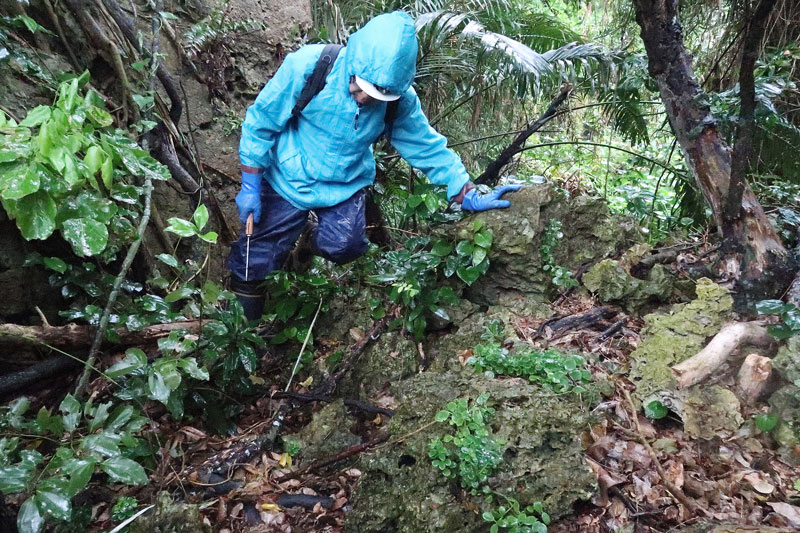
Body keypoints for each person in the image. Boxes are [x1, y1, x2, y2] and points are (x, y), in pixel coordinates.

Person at [228, 11, 520, 321]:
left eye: (378, 95)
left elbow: (426, 146)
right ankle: (242, 331)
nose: (366, 99)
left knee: (346, 245)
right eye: (362, 88)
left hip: (344, 183)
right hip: (287, 175)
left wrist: (465, 192)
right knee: (253, 261)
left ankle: (307, 241)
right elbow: (262, 122)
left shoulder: (399, 101)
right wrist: (250, 184)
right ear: (353, 60)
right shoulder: (310, 66)